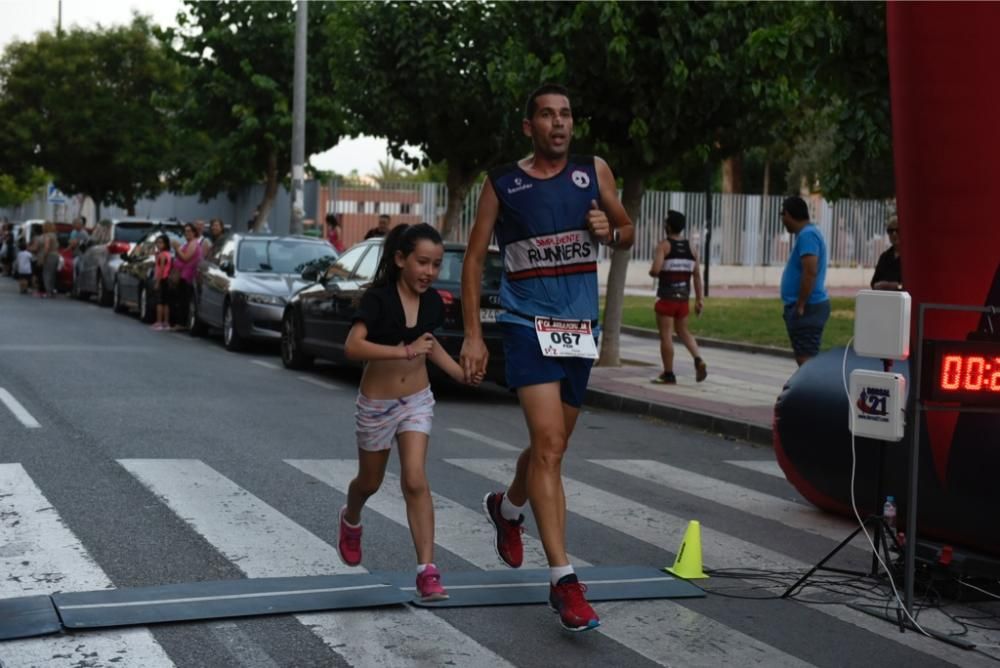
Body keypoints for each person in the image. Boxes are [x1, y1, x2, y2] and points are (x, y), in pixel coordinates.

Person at [460, 83, 634, 632]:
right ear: (528, 127)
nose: (558, 124)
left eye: (565, 114)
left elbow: (626, 230)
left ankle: (507, 508)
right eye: (546, 115)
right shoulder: (501, 183)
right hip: (525, 324)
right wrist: (472, 335)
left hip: (576, 329)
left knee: (547, 447)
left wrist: (614, 230)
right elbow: (471, 261)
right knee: (551, 448)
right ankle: (564, 581)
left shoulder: (593, 171)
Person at [339, 223, 482, 602]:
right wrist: (403, 351)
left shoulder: (434, 302)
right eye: (423, 262)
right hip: (377, 404)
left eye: (436, 265)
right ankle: (351, 517)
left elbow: (428, 346)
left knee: (416, 480)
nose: (430, 272)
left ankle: (427, 571)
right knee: (368, 482)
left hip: (417, 399)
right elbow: (353, 347)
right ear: (401, 259)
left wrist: (459, 373)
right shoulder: (378, 299)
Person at [648, 210, 707, 384]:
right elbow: (696, 275)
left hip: (666, 299)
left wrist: (653, 271)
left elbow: (656, 270)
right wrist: (699, 300)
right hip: (683, 300)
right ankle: (698, 359)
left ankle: (668, 374)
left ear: (668, 226)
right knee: (683, 331)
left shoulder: (664, 246)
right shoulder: (692, 248)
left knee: (666, 335)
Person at [780, 196, 830, 366]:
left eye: (782, 214)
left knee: (806, 360)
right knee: (804, 357)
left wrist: (800, 304)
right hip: (806, 306)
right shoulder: (807, 234)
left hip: (808, 307)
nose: (782, 220)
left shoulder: (807, 235)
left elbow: (810, 271)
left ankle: (814, 392)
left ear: (788, 214)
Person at [170, 223, 203, 330]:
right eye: (185, 231)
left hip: (187, 276)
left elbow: (186, 258)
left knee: (183, 301)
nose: (187, 233)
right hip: (182, 275)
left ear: (194, 232)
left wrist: (176, 248)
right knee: (180, 299)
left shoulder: (193, 243)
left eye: (189, 231)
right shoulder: (188, 243)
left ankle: (182, 323)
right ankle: (180, 322)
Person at [871, 216, 902, 291]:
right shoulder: (884, 257)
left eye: (897, 230)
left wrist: (898, 286)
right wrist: (878, 285)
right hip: (883, 299)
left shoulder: (910, 257)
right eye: (890, 231)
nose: (894, 234)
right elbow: (873, 283)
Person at [152, 235, 173, 330]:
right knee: (166, 302)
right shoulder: (168, 254)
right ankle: (166, 323)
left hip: (162, 279)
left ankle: (159, 322)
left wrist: (157, 282)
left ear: (166, 244)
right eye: (157, 242)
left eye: (161, 242)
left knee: (160, 302)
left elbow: (161, 269)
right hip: (167, 280)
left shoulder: (162, 255)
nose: (158, 244)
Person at [38, 221, 61, 298]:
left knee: (46, 274)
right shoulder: (54, 235)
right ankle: (51, 290)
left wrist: (43, 257)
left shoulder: (47, 235)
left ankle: (48, 291)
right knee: (52, 274)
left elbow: (47, 247)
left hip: (49, 256)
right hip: (56, 255)